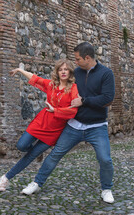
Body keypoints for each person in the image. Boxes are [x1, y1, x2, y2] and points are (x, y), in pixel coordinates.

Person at [20, 42, 116, 203]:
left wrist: (84, 101)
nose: (75, 62)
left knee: (105, 159)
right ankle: (37, 183)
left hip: (96, 126)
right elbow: (57, 86)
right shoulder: (75, 73)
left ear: (87, 58)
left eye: (78, 59)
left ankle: (106, 189)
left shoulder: (106, 74)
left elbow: (107, 99)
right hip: (74, 125)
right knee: (55, 154)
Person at [0, 59, 79, 194]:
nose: (63, 72)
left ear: (70, 72)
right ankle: (36, 153)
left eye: (66, 69)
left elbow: (73, 111)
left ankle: (5, 178)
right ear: (57, 72)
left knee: (30, 156)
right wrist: (20, 70)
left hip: (54, 129)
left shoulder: (74, 88)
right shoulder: (51, 85)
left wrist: (56, 111)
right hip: (41, 122)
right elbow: (36, 79)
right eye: (60, 69)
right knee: (21, 145)